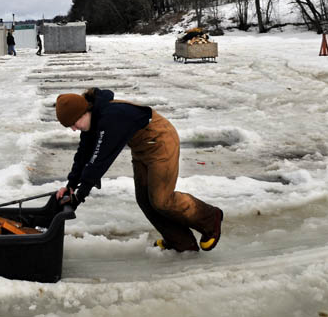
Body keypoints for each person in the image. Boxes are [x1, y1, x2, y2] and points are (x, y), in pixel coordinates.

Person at [55, 88, 223, 252]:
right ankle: (181, 241)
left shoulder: (111, 117)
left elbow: (99, 161)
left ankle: (210, 218)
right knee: (144, 200)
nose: (74, 129)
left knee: (161, 199)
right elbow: (83, 154)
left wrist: (79, 196)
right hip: (142, 148)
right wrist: (71, 185)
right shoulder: (93, 121)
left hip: (161, 141)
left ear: (84, 112)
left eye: (74, 123)